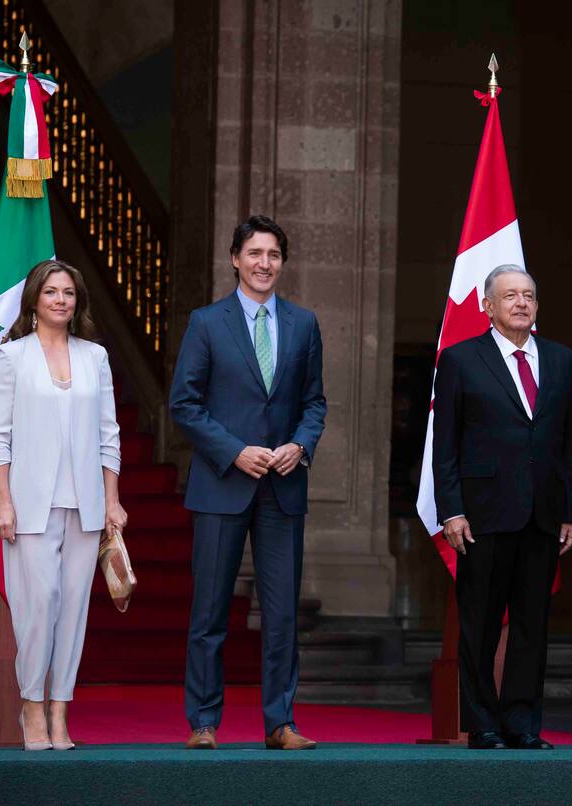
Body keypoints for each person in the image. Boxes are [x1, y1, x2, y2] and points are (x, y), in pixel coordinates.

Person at [170, 214, 326, 751]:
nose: (264, 264)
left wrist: (300, 446)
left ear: (283, 262)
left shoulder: (304, 324)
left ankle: (280, 723)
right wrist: (235, 451)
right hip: (221, 484)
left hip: (282, 487)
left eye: (274, 255)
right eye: (254, 253)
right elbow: (184, 405)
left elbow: (314, 403)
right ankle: (204, 723)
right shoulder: (206, 323)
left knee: (281, 614)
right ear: (235, 258)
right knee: (210, 610)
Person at [432, 264, 572, 750]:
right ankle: (483, 724)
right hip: (482, 514)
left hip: (542, 514)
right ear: (487, 306)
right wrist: (451, 509)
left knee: (531, 627)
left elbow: (569, 443)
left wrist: (570, 510)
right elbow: (446, 443)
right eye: (510, 295)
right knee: (479, 623)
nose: (521, 303)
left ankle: (522, 723)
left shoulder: (562, 361)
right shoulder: (460, 359)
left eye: (529, 295)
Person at [0, 259, 127, 752]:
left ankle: (60, 711)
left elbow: (109, 433)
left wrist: (112, 500)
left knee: (73, 610)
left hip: (86, 505)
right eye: (51, 292)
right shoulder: (11, 357)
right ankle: (31, 707)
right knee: (39, 603)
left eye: (68, 292)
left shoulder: (96, 357)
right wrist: (2, 501)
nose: (61, 300)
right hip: (28, 504)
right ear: (34, 300)